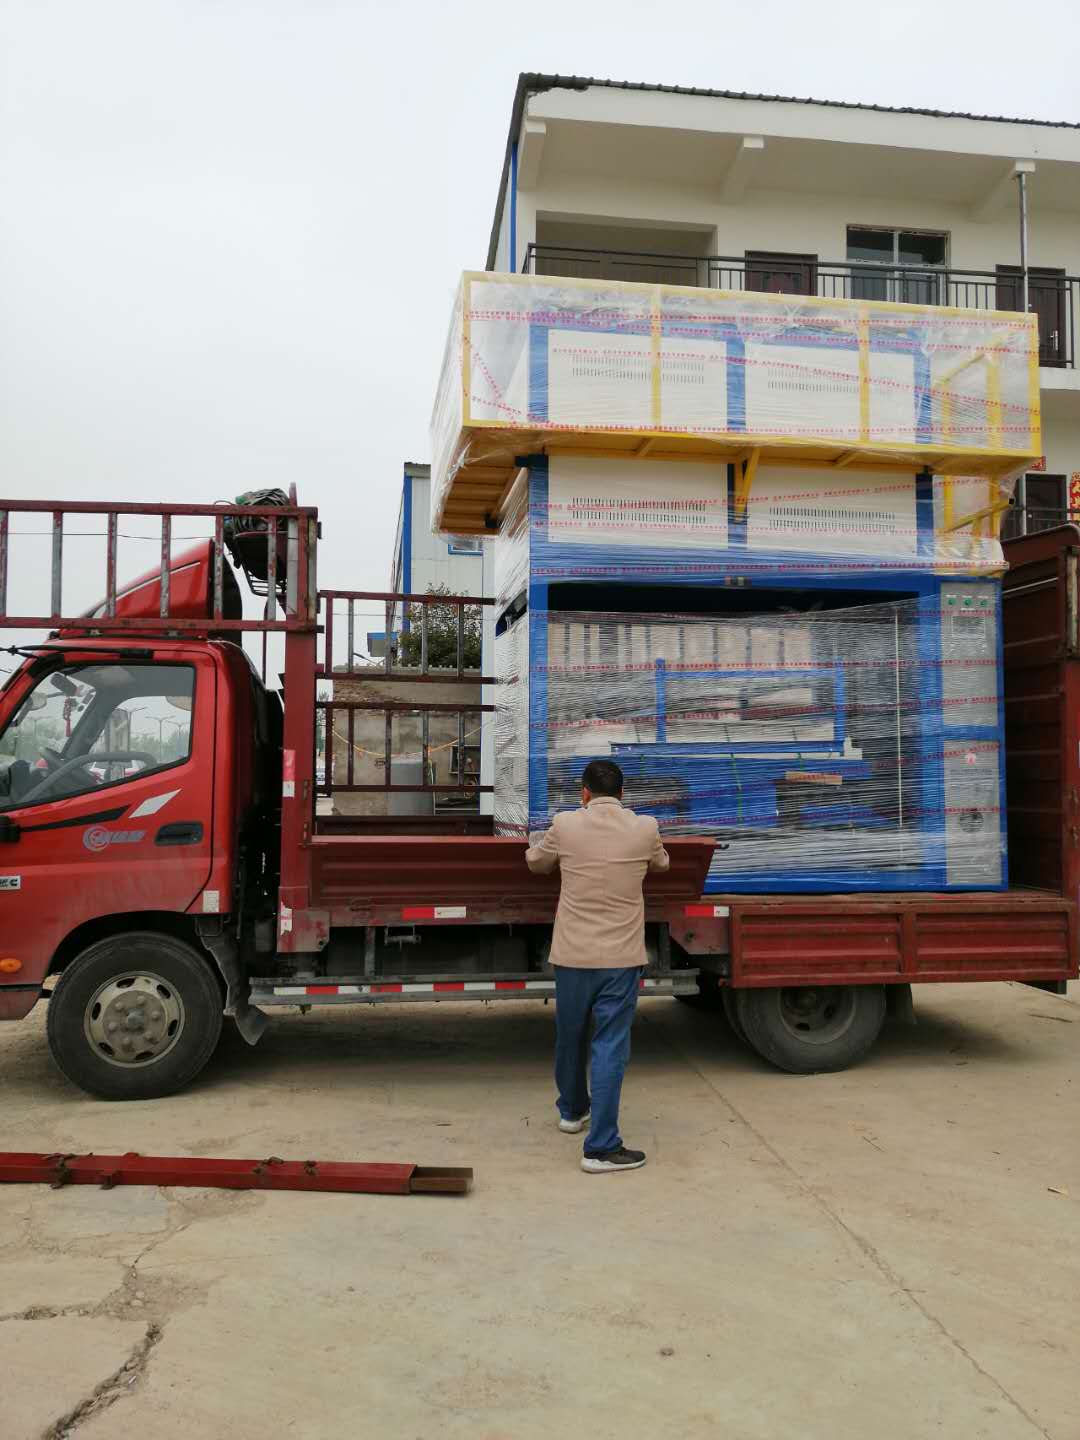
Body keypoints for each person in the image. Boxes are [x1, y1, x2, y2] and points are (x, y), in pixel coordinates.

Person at [525, 759, 669, 1174]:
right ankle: (601, 1147)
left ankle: (572, 1112)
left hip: (573, 955)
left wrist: (536, 843)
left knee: (570, 1035)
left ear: (584, 793)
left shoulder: (565, 825)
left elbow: (536, 862)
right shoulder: (645, 827)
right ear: (622, 794)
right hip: (621, 959)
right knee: (609, 1046)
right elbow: (662, 864)